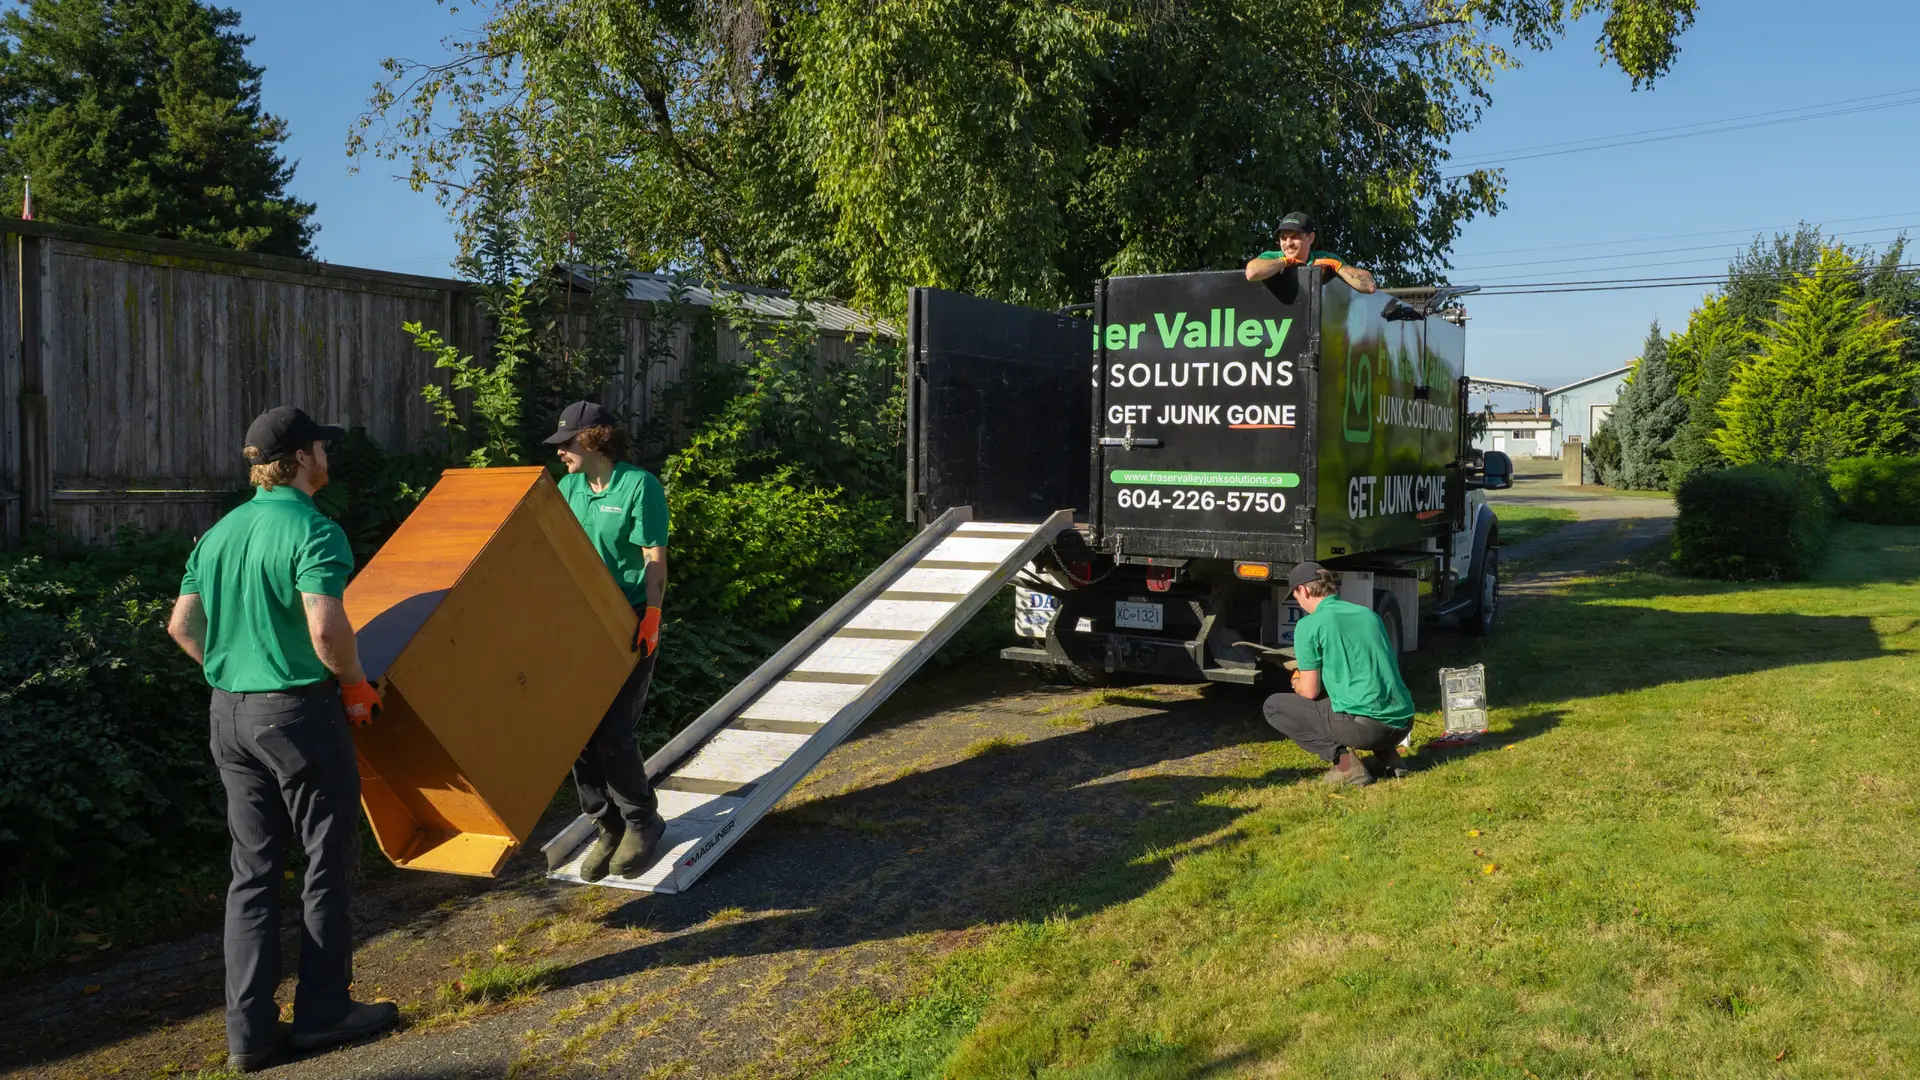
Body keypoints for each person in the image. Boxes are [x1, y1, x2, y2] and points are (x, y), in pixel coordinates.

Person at [166, 406, 398, 1073]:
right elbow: (325, 628)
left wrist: (234, 670)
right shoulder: (314, 530)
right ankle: (325, 1015)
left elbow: (183, 627)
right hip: (299, 713)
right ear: (300, 458)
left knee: (253, 871)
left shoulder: (218, 534)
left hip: (228, 715)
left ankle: (249, 1035)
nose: (329, 455)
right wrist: (355, 688)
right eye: (323, 445)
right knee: (327, 861)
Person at [544, 401, 671, 881]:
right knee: (578, 731)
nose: (561, 453)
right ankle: (607, 825)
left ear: (593, 439)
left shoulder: (639, 486)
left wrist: (653, 614)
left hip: (632, 618)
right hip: (582, 623)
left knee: (614, 730)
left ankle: (643, 820)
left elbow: (653, 557)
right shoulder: (569, 489)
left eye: (567, 443)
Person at [1262, 562, 1414, 786]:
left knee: (1274, 706)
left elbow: (1310, 691)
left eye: (1296, 596)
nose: (1299, 603)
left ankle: (1346, 767)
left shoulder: (1309, 625)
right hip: (1402, 722)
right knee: (1367, 692)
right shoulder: (1368, 614)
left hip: (1367, 729)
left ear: (1303, 590)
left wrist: (1296, 680)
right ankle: (1390, 759)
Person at [1244, 211, 1378, 294]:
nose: (1288, 243)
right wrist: (1286, 261)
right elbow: (1251, 273)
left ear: (1311, 238)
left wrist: (1337, 266)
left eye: (1295, 237)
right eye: (1283, 238)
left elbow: (1369, 286)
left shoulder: (1326, 258)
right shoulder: (1272, 257)